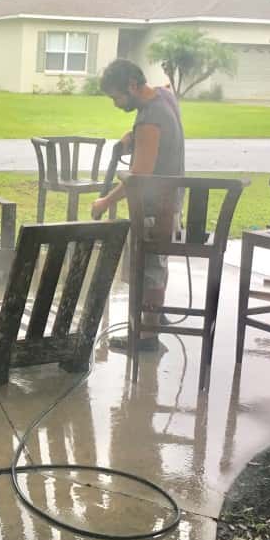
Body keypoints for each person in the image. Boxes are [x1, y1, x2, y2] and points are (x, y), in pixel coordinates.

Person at [90, 59, 185, 351]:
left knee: (150, 267)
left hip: (156, 207)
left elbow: (139, 177)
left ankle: (147, 337)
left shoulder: (149, 119)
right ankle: (154, 317)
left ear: (132, 86)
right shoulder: (164, 96)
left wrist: (105, 201)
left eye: (116, 97)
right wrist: (132, 138)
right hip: (171, 203)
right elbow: (160, 127)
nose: (115, 104)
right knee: (156, 264)